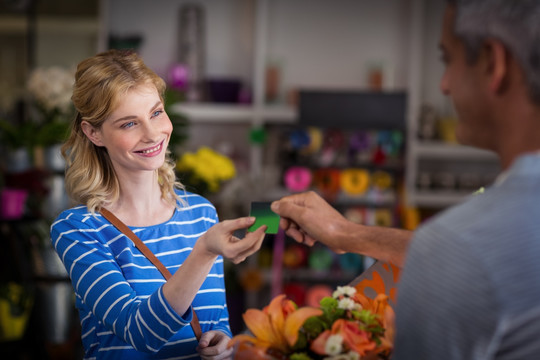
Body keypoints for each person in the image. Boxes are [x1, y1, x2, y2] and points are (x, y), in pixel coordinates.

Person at [272, 0, 540, 358]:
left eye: (448, 60)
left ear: (494, 62)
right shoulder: (499, 232)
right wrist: (345, 234)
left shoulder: (462, 247)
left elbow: (459, 255)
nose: (444, 85)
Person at [50, 49, 267, 359]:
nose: (153, 134)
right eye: (129, 124)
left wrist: (223, 343)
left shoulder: (201, 213)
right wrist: (203, 251)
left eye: (156, 113)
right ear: (94, 133)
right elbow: (140, 333)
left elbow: (216, 320)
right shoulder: (79, 229)